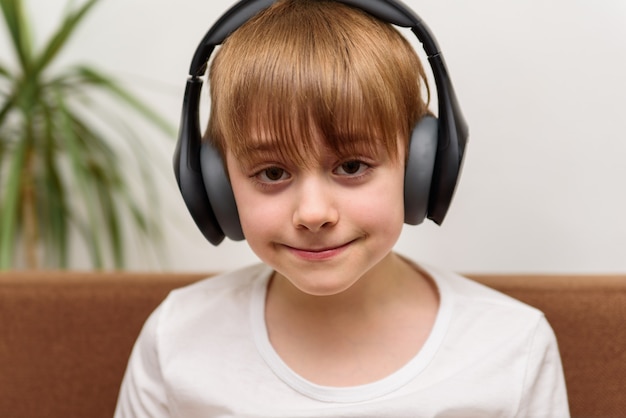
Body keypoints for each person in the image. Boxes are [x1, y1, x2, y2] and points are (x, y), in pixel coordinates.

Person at [115, 0, 570, 416]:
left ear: (423, 166)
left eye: (352, 166)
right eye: (272, 173)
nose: (313, 213)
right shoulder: (176, 339)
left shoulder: (512, 349)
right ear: (215, 184)